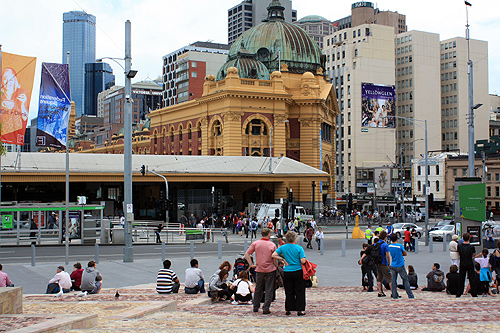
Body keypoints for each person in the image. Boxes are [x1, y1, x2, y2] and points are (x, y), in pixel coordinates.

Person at [272, 231, 307, 316]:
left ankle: (288, 309)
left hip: (287, 271)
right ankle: (300, 309)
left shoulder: (283, 247)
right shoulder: (299, 248)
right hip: (298, 270)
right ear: (295, 239)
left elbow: (273, 255)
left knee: (289, 290)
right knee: (299, 290)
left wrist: (283, 259)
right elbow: (303, 260)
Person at [245, 228, 277, 315]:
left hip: (259, 268)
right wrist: (275, 266)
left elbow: (247, 254)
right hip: (270, 268)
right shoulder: (272, 245)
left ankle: (256, 306)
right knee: (269, 289)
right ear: (269, 234)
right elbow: (274, 258)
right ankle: (266, 307)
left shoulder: (256, 243)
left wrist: (251, 264)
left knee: (258, 288)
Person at [1, 67, 30, 138]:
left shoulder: (21, 94)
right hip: (2, 133)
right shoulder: (0, 95)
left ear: (14, 80)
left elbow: (25, 118)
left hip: (15, 134)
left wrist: (22, 104)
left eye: (11, 79)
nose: (8, 82)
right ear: (1, 80)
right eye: (5, 79)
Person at [388, 234, 414, 299]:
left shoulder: (390, 246)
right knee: (405, 280)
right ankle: (410, 295)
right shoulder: (400, 246)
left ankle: (394, 294)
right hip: (400, 264)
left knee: (393, 280)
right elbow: (405, 253)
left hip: (393, 264)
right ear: (397, 238)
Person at [456, 233, 477, 297]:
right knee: (472, 278)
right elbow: (474, 254)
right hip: (469, 262)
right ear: (469, 238)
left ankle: (459, 292)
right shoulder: (471, 247)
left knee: (461, 278)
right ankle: (473, 293)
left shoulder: (459, 246)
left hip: (462, 262)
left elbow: (459, 253)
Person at [375, 231, 392, 297]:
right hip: (383, 263)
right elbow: (387, 255)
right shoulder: (385, 245)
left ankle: (380, 292)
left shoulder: (376, 244)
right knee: (389, 278)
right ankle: (393, 292)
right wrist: (388, 263)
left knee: (379, 278)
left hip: (377, 263)